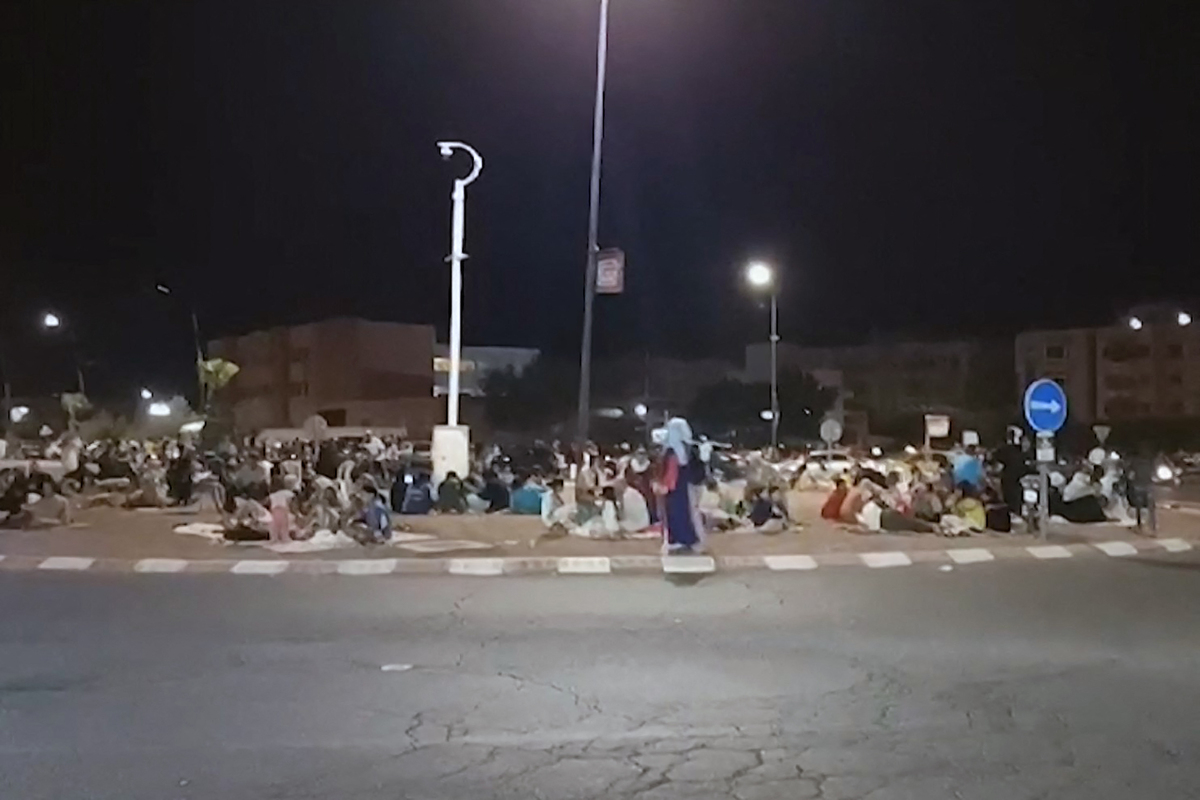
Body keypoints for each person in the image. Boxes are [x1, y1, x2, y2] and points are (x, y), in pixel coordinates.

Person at [654, 417, 701, 553]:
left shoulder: (676, 450)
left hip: (676, 487)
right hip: (677, 487)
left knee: (679, 512)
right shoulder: (682, 448)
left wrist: (666, 485)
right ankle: (678, 538)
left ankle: (683, 539)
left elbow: (673, 470)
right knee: (676, 512)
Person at [266, 476, 294, 544]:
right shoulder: (287, 493)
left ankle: (274, 538)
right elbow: (290, 503)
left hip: (274, 511)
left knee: (275, 527)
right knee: (284, 526)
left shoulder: (272, 495)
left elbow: (269, 504)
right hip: (283, 510)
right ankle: (285, 538)